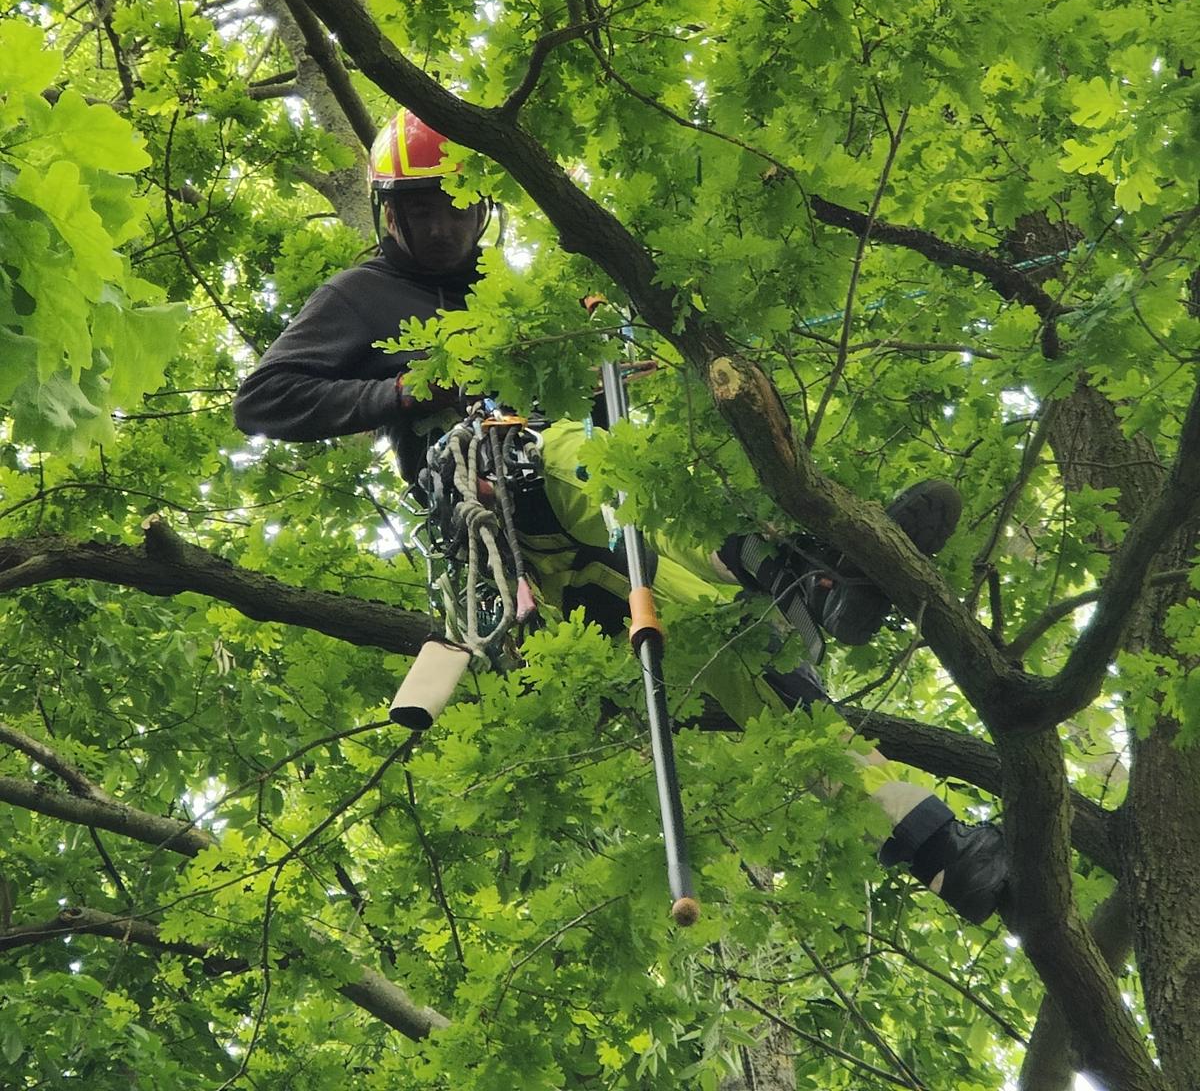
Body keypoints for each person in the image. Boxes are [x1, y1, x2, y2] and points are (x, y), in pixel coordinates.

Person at [234, 109, 1008, 924]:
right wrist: (403, 389)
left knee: (751, 660)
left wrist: (594, 353)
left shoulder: (513, 296)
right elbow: (265, 399)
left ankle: (945, 852)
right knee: (594, 461)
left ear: (480, 206)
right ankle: (801, 571)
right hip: (509, 498)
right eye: (417, 210)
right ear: (388, 213)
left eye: (452, 207)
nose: (436, 227)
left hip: (599, 546)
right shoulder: (362, 295)